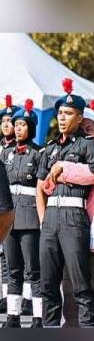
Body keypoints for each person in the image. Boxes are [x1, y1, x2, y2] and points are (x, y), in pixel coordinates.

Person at [36, 78, 94, 327]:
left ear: (80, 118)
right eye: (60, 113)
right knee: (47, 284)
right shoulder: (49, 149)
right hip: (51, 218)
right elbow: (41, 189)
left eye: (69, 113)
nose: (63, 118)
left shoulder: (88, 145)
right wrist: (43, 220)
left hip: (73, 215)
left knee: (80, 284)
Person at [0, 100, 43, 328]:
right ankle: (13, 316)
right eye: (15, 124)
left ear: (31, 128)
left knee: (33, 268)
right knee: (12, 268)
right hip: (10, 218)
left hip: (30, 217)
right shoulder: (6, 153)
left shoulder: (38, 154)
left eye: (22, 124)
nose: (17, 128)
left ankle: (37, 317)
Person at [0, 94, 18, 315]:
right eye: (3, 121)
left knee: (13, 259)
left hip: (12, 208)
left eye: (10, 121)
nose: (6, 125)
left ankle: (13, 298)